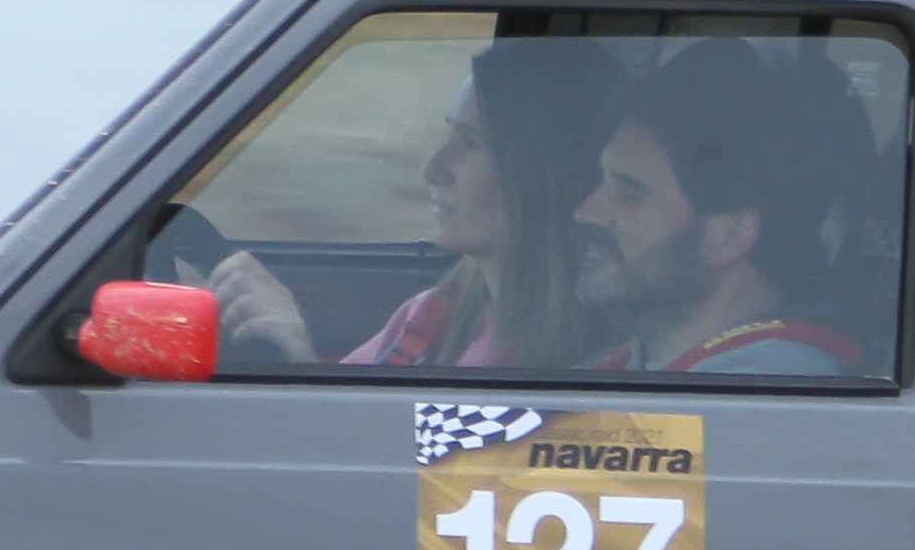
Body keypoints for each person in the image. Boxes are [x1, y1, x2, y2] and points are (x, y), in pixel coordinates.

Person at [194, 41, 615, 373]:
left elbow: (402, 467)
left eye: (471, 145)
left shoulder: (588, 364)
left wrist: (299, 355)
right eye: (446, 136)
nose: (432, 169)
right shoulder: (433, 316)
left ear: (541, 175)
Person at [569, 39, 870, 377]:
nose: (585, 212)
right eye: (601, 181)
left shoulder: (770, 396)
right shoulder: (622, 367)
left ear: (731, 235)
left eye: (631, 193)